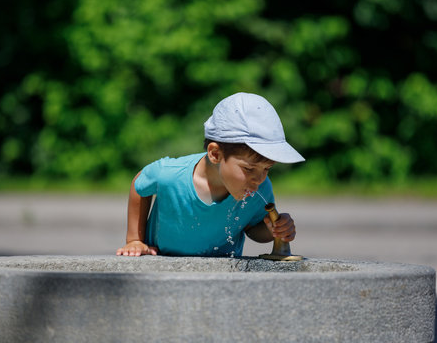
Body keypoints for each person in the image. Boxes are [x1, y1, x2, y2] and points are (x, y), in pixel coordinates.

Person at [116, 92, 305, 257]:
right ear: (215, 154)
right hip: (161, 262)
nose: (259, 178)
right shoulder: (170, 175)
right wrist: (134, 238)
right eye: (249, 169)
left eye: (267, 169)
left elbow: (252, 228)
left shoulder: (260, 188)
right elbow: (139, 184)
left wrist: (273, 229)